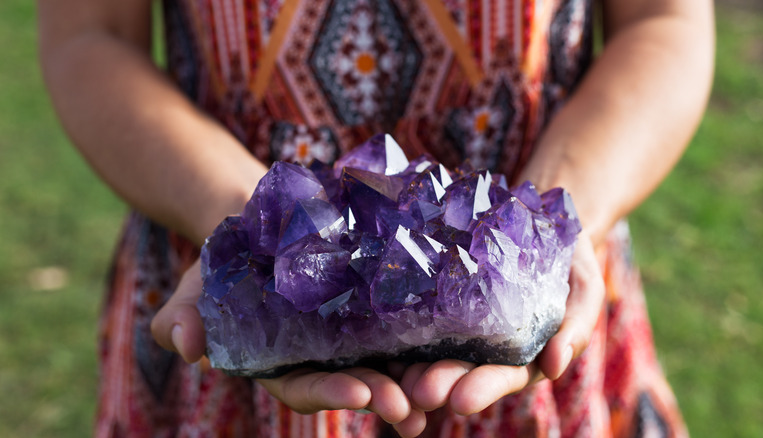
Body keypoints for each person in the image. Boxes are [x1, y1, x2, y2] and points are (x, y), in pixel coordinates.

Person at [38, 0, 713, 436]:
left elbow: (665, 20)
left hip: (544, 232)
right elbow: (89, 36)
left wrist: (564, 205)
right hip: (209, 217)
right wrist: (246, 222)